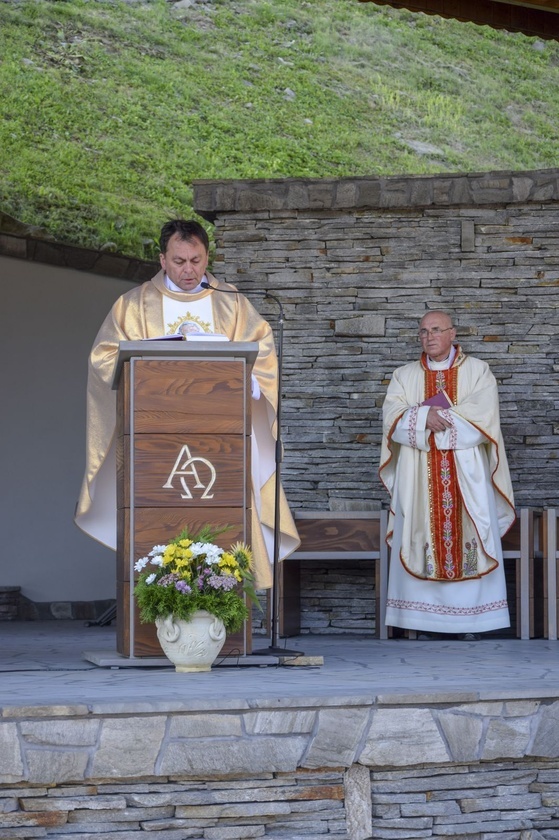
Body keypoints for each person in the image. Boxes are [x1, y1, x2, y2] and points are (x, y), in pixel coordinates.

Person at [75, 219, 300, 589]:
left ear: (207, 256)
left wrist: (253, 384)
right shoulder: (133, 306)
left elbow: (263, 353)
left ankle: (227, 598)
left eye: (197, 260)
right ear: (162, 259)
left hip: (222, 442)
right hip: (155, 443)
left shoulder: (231, 303)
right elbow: (102, 358)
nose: (189, 270)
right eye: (179, 261)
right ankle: (156, 599)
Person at [379, 310, 515, 639]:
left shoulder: (478, 371)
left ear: (453, 333)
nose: (429, 337)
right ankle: (422, 621)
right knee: (417, 531)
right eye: (423, 331)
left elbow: (484, 416)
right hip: (417, 476)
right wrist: (424, 416)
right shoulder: (404, 375)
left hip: (466, 474)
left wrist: (439, 420)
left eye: (436, 330)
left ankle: (473, 622)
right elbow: (391, 415)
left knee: (472, 531)